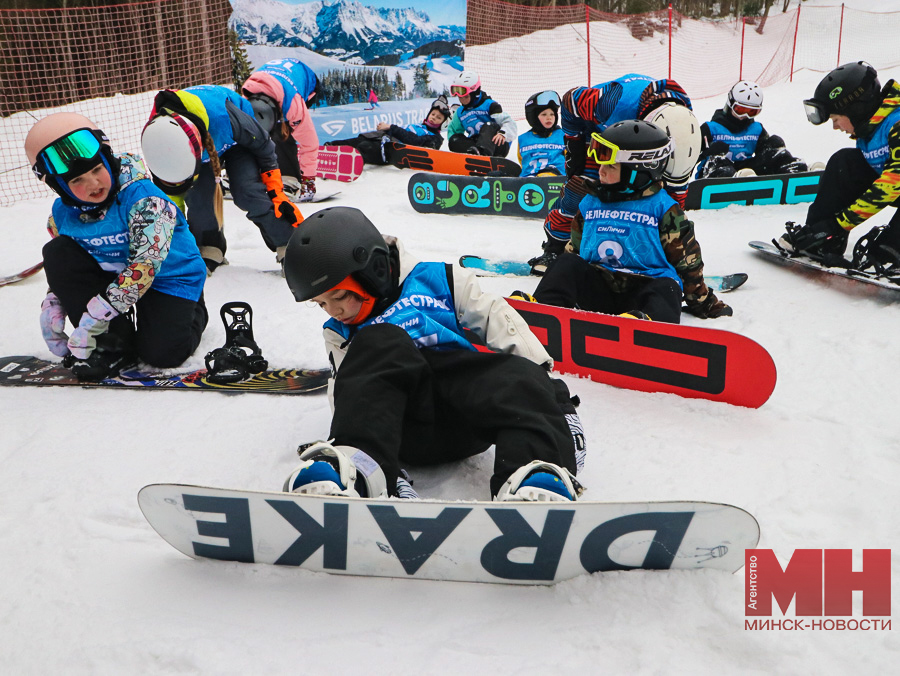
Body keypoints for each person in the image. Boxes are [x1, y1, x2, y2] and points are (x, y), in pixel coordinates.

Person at [280, 207, 586, 501]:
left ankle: (533, 473)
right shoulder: (341, 332)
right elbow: (348, 389)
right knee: (381, 341)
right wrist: (352, 444)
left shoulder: (440, 280)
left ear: (371, 270)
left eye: (339, 296)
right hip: (399, 424)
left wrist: (547, 390)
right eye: (321, 304)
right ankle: (360, 471)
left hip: (467, 413)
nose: (333, 310)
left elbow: (496, 318)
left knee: (515, 371)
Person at [25, 112, 208, 381]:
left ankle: (194, 310)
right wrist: (55, 301)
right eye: (77, 181)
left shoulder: (144, 199)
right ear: (58, 186)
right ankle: (113, 346)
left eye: (97, 170)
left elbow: (145, 267)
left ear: (108, 160)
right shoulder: (61, 214)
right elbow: (71, 265)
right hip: (113, 279)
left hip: (168, 278)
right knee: (58, 251)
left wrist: (94, 317)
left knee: (161, 355)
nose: (94, 184)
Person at [532, 119, 732, 324]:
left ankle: (646, 327)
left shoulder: (663, 209)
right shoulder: (589, 203)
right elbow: (574, 250)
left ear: (638, 170)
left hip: (643, 295)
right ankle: (539, 313)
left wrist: (704, 303)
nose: (601, 170)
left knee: (668, 285)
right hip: (599, 291)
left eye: (610, 165)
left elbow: (687, 264)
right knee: (566, 262)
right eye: (601, 163)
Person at [528, 74, 701, 275]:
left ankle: (647, 252)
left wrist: (679, 254)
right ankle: (555, 247)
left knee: (656, 201)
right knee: (582, 189)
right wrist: (573, 142)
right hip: (601, 134)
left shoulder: (684, 127)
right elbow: (569, 101)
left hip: (636, 144)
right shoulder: (608, 103)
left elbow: (674, 202)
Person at [140, 86, 304, 274]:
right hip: (193, 151)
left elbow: (264, 146)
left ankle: (289, 244)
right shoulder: (158, 144)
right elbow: (172, 196)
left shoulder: (225, 118)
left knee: (247, 191)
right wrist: (176, 240)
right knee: (200, 198)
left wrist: (276, 192)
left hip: (237, 141)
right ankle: (210, 248)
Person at [777, 61, 900, 275]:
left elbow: (893, 184)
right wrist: (825, 228)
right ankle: (820, 240)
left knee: (884, 255)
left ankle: (890, 255)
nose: (835, 127)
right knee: (845, 162)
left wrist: (839, 224)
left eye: (836, 119)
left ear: (855, 108)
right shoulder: (870, 128)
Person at [241, 58, 322, 202]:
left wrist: (308, 180)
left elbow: (309, 144)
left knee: (283, 134)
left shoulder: (293, 106)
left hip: (306, 79)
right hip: (274, 83)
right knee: (251, 135)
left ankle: (289, 178)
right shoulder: (245, 102)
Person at [695, 80, 808, 179]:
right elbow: (689, 158)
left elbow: (765, 156)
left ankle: (792, 169)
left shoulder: (756, 129)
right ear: (730, 104)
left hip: (746, 171)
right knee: (719, 161)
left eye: (752, 112)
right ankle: (730, 178)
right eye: (740, 110)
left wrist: (774, 150)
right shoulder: (711, 128)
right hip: (714, 171)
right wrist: (708, 152)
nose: (745, 115)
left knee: (774, 146)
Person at [323, 95, 451, 165]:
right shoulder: (419, 126)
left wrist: (391, 127)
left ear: (442, 123)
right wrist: (386, 130)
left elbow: (414, 141)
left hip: (392, 150)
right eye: (433, 114)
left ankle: (339, 163)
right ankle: (329, 148)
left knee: (364, 147)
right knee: (359, 139)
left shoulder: (435, 137)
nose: (434, 118)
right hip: (385, 138)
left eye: (438, 118)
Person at [446, 70, 516, 157]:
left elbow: (509, 123)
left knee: (489, 125)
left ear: (474, 93)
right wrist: (457, 143)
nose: (462, 100)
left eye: (465, 97)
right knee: (454, 139)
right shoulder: (460, 112)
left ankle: (483, 155)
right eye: (460, 97)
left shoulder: (490, 105)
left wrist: (503, 133)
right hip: (475, 145)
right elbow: (453, 131)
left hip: (497, 144)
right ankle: (474, 154)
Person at [518, 90, 566, 177]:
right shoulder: (523, 139)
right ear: (534, 117)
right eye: (544, 114)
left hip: (556, 181)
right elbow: (523, 163)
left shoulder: (562, 136)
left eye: (552, 114)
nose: (549, 118)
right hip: (528, 182)